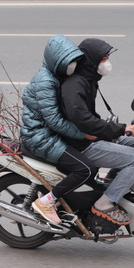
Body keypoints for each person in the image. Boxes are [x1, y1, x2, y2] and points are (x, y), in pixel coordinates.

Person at [58, 38, 134, 226]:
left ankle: (113, 182)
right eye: (104, 58)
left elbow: (91, 119)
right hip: (82, 145)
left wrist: (123, 129)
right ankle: (105, 203)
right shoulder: (75, 85)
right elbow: (83, 120)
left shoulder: (88, 79)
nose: (107, 62)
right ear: (91, 60)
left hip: (93, 136)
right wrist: (121, 129)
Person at [20, 35, 100, 225]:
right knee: (87, 169)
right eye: (68, 62)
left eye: (74, 61)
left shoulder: (57, 76)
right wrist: (84, 134)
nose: (72, 65)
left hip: (50, 133)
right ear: (57, 61)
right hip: (40, 137)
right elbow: (55, 121)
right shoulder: (46, 82)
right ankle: (46, 202)